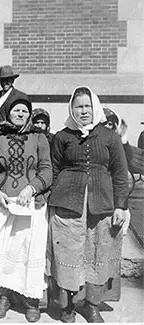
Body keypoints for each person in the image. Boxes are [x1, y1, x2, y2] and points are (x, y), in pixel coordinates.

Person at [0, 95, 53, 323]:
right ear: (8, 113)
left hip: (31, 205)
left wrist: (31, 189)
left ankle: (30, 299)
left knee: (27, 249)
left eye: (25, 111)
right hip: (3, 204)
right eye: (16, 110)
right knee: (4, 250)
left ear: (30, 114)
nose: (21, 114)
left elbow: (46, 170)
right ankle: (4, 295)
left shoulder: (39, 138)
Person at [46, 86, 128, 323]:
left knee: (97, 252)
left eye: (88, 106)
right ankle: (67, 304)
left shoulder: (110, 137)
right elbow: (54, 169)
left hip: (101, 203)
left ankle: (91, 304)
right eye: (79, 106)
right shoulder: (62, 137)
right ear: (71, 109)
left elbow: (120, 173)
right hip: (67, 204)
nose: (84, 111)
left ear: (96, 107)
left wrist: (120, 205)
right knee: (68, 253)